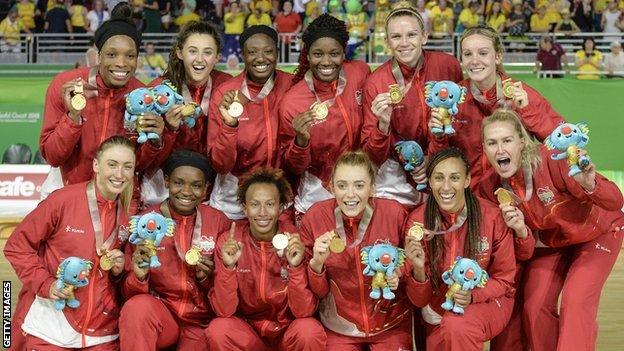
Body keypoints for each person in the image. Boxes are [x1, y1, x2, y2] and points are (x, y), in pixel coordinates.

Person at [479, 109, 624, 351]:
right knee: (534, 307)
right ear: (484, 148)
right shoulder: (490, 187)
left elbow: (615, 201)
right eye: (492, 143)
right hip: (555, 243)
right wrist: (521, 232)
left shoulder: (551, 160)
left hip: (600, 233)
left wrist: (591, 184)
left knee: (575, 301)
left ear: (522, 141)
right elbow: (521, 251)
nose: (500, 150)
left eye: (507, 141)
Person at [4, 136, 136, 350]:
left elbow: (125, 276)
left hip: (102, 332)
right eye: (112, 165)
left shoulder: (129, 213)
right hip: (52, 326)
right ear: (96, 165)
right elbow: (17, 247)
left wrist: (121, 266)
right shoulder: (62, 200)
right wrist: (46, 284)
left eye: (127, 167)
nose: (119, 174)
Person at [39, 2, 164, 190]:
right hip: (68, 192)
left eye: (130, 56)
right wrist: (73, 117)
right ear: (98, 56)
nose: (121, 63)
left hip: (119, 197)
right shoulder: (66, 85)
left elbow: (141, 166)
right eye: (112, 54)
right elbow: (53, 156)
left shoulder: (142, 97)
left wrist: (155, 140)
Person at [404, 147, 516, 350]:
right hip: (439, 310)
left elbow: (504, 280)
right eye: (438, 178)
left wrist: (473, 296)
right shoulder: (417, 223)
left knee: (458, 325)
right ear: (429, 182)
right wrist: (418, 270)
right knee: (452, 326)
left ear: (467, 181)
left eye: (454, 178)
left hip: (487, 302)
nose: (446, 187)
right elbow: (419, 301)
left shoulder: (491, 217)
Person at [299, 150, 413, 349]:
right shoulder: (315, 218)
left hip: (391, 324)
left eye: (359, 185)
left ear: (372, 188)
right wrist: (317, 264)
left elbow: (412, 258)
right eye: (342, 185)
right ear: (331, 187)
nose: (350, 194)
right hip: (340, 327)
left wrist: (399, 272)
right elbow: (318, 292)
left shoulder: (394, 213)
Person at [119, 150, 230, 350]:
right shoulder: (146, 222)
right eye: (179, 183)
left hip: (200, 322)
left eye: (196, 185)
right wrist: (139, 277)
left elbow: (228, 287)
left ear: (206, 188)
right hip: (162, 314)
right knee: (136, 308)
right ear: (167, 182)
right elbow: (127, 292)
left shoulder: (219, 222)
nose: (187, 192)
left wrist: (208, 278)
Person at [428, 25, 565, 187]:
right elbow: (439, 161)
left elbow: (562, 141)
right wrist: (438, 137)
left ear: (498, 56)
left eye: (483, 53)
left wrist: (528, 112)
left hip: (518, 196)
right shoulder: (453, 99)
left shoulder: (519, 93)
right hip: (472, 196)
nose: (474, 61)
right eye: (467, 54)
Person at [205, 168, 327, 350]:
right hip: (248, 332)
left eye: (270, 204)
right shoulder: (230, 241)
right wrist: (228, 267)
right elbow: (224, 310)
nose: (262, 212)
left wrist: (295, 268)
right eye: (255, 204)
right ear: (245, 208)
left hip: (287, 331)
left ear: (281, 207)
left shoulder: (295, 240)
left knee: (309, 330)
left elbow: (304, 311)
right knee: (219, 330)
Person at [361, 1, 462, 208]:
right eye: (396, 37)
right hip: (399, 175)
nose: (404, 42)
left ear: (424, 36)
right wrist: (382, 126)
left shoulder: (448, 65)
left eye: (412, 35)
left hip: (444, 164)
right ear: (387, 41)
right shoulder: (376, 82)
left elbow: (460, 120)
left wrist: (432, 158)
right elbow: (371, 155)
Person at [278, 14, 370, 223]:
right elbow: (293, 168)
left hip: (359, 191)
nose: (326, 61)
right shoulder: (293, 102)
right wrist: (301, 142)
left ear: (343, 53)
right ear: (308, 56)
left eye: (334, 53)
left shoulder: (359, 73)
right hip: (316, 197)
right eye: (318, 54)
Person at [208, 25, 293, 220]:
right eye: (252, 52)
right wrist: (230, 126)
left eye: (268, 51)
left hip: (279, 197)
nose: (261, 58)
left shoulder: (291, 85)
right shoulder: (225, 93)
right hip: (233, 200)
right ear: (243, 55)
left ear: (277, 53)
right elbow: (220, 164)